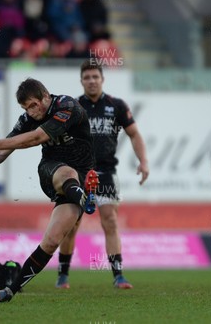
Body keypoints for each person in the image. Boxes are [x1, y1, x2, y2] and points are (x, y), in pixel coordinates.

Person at [0, 78, 99, 304]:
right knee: (66, 174)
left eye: (33, 105)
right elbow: (1, 153)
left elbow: (37, 137)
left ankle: (9, 291)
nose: (31, 112)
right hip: (52, 171)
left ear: (45, 96)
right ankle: (84, 198)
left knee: (51, 241)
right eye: (25, 108)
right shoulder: (27, 119)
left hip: (82, 176)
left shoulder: (67, 107)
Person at [56, 60, 149, 290]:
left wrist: (143, 161)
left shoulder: (116, 105)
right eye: (87, 77)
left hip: (106, 172)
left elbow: (135, 134)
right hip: (78, 173)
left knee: (110, 221)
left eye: (95, 77)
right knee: (71, 225)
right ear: (81, 81)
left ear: (102, 79)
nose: (91, 81)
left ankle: (118, 276)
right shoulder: (73, 107)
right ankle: (63, 275)